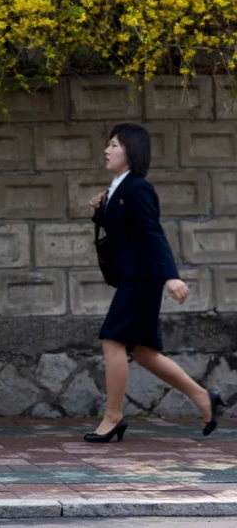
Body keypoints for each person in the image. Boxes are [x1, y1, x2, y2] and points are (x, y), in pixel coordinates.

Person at [85, 123, 226, 443]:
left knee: (112, 340)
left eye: (114, 145)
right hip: (133, 278)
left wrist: (170, 276)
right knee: (145, 352)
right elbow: (125, 231)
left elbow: (153, 234)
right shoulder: (118, 188)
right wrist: (99, 211)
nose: (107, 150)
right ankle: (205, 398)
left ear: (131, 151)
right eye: (108, 145)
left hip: (143, 279)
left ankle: (113, 416)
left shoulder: (138, 188)